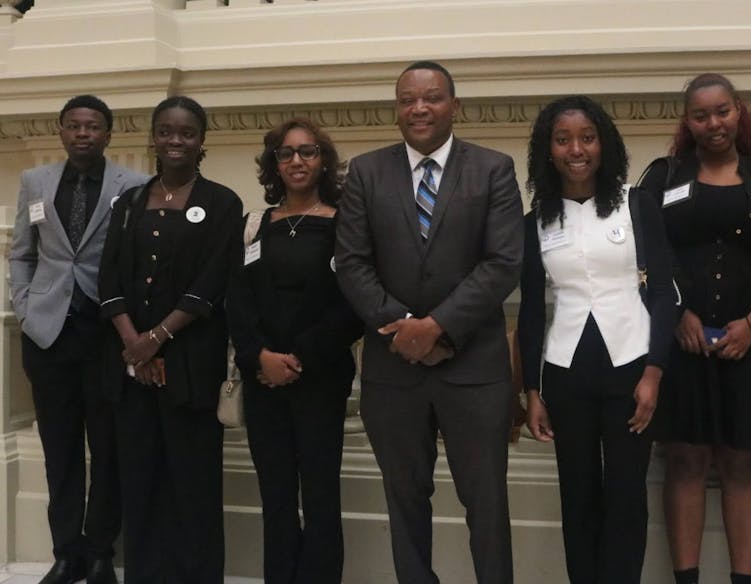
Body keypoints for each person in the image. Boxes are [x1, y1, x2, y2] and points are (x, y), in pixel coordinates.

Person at [335, 60, 523, 584]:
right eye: (407, 99)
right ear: (397, 108)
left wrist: (437, 327)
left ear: (454, 106)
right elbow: (351, 263)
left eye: (432, 97)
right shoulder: (366, 173)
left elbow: (504, 262)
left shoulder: (493, 169)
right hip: (393, 372)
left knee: (485, 503)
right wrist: (404, 329)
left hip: (475, 370)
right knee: (405, 499)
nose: (419, 108)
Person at [638, 73, 751, 584]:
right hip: (679, 345)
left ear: (739, 112)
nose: (714, 123)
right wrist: (679, 315)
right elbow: (643, 256)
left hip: (749, 346)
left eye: (723, 110)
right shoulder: (662, 177)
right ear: (687, 120)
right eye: (701, 113)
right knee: (684, 459)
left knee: (741, 461)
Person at [517, 95, 678, 584]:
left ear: (603, 144)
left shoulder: (637, 204)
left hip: (632, 367)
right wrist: (531, 390)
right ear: (549, 151)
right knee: (578, 495)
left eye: (587, 138)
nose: (576, 149)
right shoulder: (536, 221)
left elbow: (667, 294)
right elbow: (528, 311)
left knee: (627, 496)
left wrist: (654, 371)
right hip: (566, 375)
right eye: (563, 140)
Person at [98, 95, 242, 584]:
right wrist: (135, 345)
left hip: (191, 365)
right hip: (132, 368)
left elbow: (212, 281)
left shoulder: (222, 203)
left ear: (201, 140)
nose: (175, 140)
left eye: (186, 132)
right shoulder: (129, 202)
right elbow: (109, 278)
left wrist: (156, 339)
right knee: (139, 480)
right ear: (153, 137)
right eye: (166, 131)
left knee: (193, 482)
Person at [7, 95, 146, 584]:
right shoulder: (36, 183)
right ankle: (67, 552)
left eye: (93, 127)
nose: (83, 134)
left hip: (107, 335)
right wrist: (24, 307)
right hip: (49, 337)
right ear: (62, 132)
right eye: (74, 126)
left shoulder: (132, 186)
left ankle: (101, 550)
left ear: (108, 135)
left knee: (108, 448)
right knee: (60, 448)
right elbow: (22, 252)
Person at [228, 117, 363, 583]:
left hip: (320, 379)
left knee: (321, 494)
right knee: (277, 497)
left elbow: (352, 306)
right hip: (263, 380)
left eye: (307, 152)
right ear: (274, 165)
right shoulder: (253, 225)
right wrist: (259, 357)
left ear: (323, 160)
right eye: (286, 154)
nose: (297, 161)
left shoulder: (346, 224)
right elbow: (237, 301)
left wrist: (299, 358)